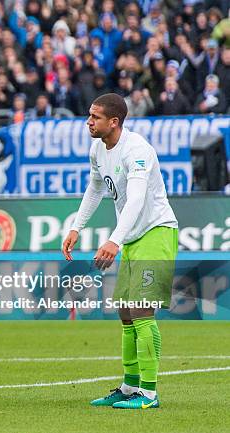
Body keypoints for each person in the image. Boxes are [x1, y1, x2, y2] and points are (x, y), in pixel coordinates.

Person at [62, 93, 178, 410]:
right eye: (89, 115)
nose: (89, 121)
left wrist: (114, 239)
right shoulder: (98, 148)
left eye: (95, 117)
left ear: (114, 122)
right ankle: (130, 387)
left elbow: (137, 199)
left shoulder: (137, 150)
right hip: (132, 236)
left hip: (156, 231)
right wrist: (76, 227)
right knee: (125, 312)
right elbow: (96, 187)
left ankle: (149, 394)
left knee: (141, 309)